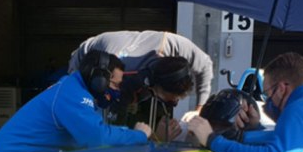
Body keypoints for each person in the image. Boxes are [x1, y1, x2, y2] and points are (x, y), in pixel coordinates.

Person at [0, 50, 155, 152]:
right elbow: (97, 137)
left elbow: (87, 139)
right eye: (115, 85)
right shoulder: (72, 94)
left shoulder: (75, 89)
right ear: (99, 80)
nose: (117, 91)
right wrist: (138, 135)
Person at [68, 30, 214, 109]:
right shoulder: (117, 67)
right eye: (168, 99)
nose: (174, 102)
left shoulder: (173, 44)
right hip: (83, 61)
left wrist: (199, 109)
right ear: (153, 83)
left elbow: (205, 64)